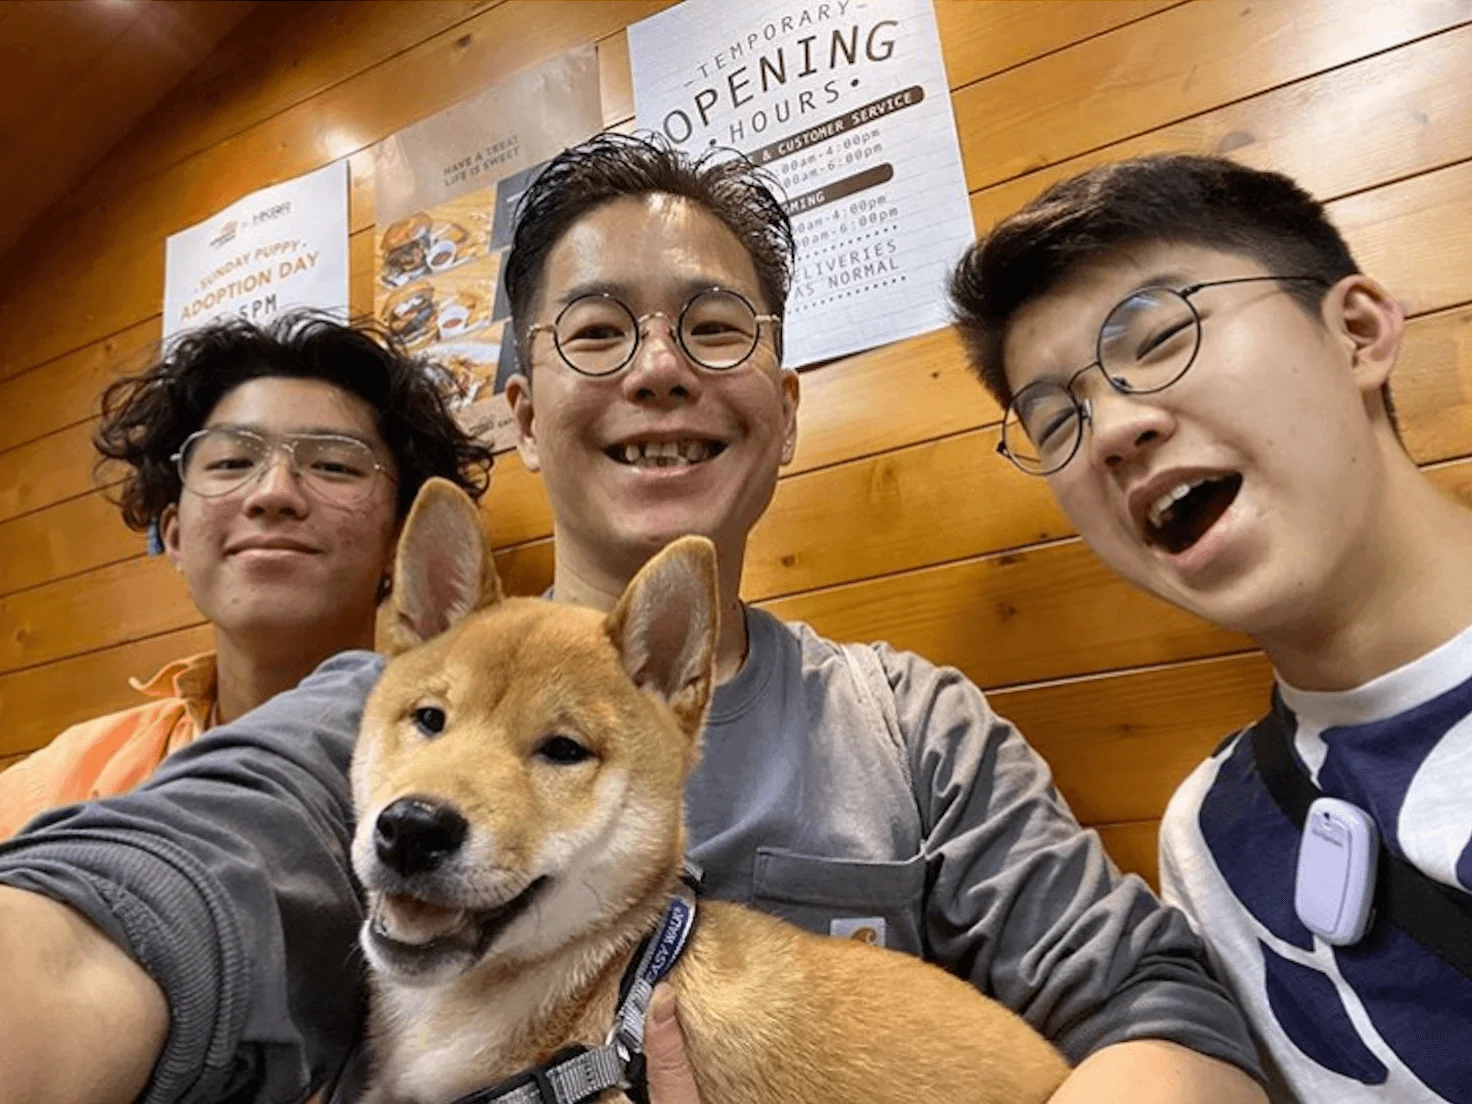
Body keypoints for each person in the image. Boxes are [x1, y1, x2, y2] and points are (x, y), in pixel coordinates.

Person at [0, 137, 1263, 1104]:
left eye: (711, 329)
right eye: (596, 332)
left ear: (783, 407)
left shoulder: (914, 725)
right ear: (521, 412)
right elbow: (132, 907)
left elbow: (1157, 1008)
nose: (658, 368)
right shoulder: (364, 706)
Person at [949, 154, 1472, 1103]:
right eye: (1056, 420)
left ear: (1356, 332)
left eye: (1158, 337)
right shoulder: (1214, 837)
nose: (1111, 430)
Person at [0, 313, 494, 839]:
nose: (273, 493)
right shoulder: (73, 772)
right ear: (175, 536)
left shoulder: (476, 775)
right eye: (232, 462)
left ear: (403, 539)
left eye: (333, 465)